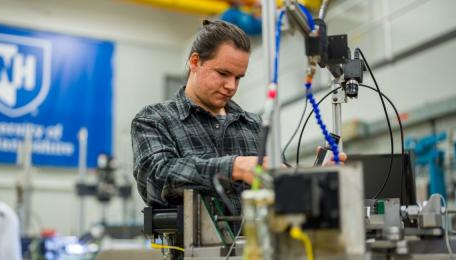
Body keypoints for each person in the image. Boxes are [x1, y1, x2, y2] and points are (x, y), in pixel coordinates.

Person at [131, 19, 345, 209]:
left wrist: (316, 178)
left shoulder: (255, 125)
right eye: (223, 74)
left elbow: (280, 186)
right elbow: (156, 177)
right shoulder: (154, 120)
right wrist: (234, 167)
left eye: (238, 77)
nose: (231, 86)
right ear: (195, 62)